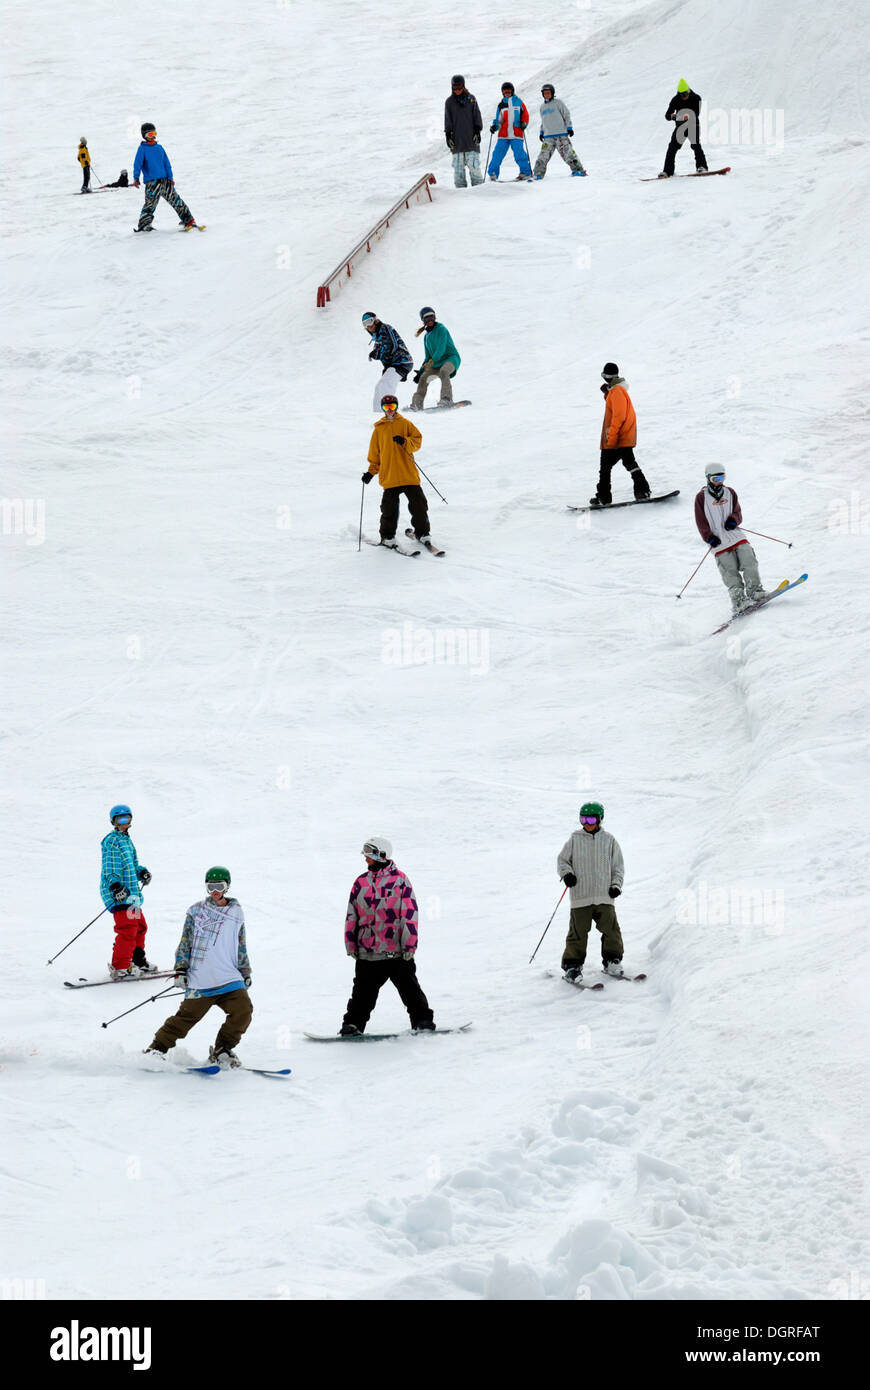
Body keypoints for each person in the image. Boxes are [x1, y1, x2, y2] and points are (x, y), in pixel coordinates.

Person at [144, 867, 252, 1068]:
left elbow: (240, 943)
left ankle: (223, 1050)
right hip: (201, 978)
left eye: (219, 886)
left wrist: (245, 971)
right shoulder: (196, 911)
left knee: (243, 1011)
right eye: (210, 887)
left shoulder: (236, 913)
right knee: (185, 1018)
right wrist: (181, 969)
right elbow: (185, 942)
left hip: (229, 977)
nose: (215, 891)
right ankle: (156, 1049)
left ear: (227, 886)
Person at [340, 838, 435, 1035]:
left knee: (410, 990)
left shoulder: (400, 881)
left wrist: (409, 946)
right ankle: (353, 1025)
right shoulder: (361, 882)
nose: (366, 858)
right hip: (368, 953)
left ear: (382, 855)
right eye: (365, 853)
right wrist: (351, 944)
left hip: (397, 953)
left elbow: (409, 914)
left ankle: (422, 1021)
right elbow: (352, 914)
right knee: (362, 995)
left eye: (370, 854)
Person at [557, 802, 625, 982]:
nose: (587, 823)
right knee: (577, 932)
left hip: (605, 895)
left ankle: (612, 960)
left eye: (591, 819)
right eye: (583, 819)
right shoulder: (574, 839)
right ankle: (572, 966)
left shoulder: (609, 840)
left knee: (611, 930)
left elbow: (618, 867)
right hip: (581, 896)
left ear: (600, 819)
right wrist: (567, 874)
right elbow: (563, 861)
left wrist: (616, 885)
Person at [694, 464, 768, 614]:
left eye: (722, 478)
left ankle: (755, 591)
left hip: (736, 535)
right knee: (730, 571)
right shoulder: (701, 497)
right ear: (708, 478)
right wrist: (709, 537)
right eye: (715, 478)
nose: (719, 481)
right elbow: (700, 520)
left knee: (749, 561)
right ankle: (739, 600)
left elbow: (737, 512)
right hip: (718, 542)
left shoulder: (730, 493)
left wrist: (734, 520)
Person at [362, 395, 432, 547]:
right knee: (389, 510)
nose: (389, 411)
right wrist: (370, 473)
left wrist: (406, 442)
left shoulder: (405, 424)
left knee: (419, 505)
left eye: (392, 407)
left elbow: (417, 440)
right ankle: (387, 537)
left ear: (396, 407)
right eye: (386, 408)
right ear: (382, 409)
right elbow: (375, 455)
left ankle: (423, 533)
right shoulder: (378, 429)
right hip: (390, 477)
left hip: (408, 475)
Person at [99, 804, 155, 979]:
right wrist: (115, 886)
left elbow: (131, 865)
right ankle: (120, 966)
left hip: (131, 896)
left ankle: (137, 960)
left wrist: (142, 872)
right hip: (119, 894)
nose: (124, 822)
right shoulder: (112, 840)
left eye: (127, 819)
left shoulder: (126, 840)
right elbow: (110, 867)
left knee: (139, 927)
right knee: (127, 928)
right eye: (120, 819)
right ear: (113, 821)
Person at [591, 363, 652, 505]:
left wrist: (611, 438)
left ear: (608, 376)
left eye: (604, 376)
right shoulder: (615, 391)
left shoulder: (617, 391)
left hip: (619, 437)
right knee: (615, 466)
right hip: (618, 436)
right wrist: (607, 393)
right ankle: (606, 496)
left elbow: (618, 417)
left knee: (617, 465)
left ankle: (641, 491)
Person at [133, 122, 197, 232]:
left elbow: (166, 163)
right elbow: (137, 164)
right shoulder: (142, 149)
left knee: (176, 201)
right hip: (152, 183)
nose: (152, 136)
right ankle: (144, 224)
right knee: (150, 204)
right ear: (144, 136)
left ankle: (188, 220)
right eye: (149, 134)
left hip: (165, 181)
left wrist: (170, 177)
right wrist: (136, 177)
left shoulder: (159, 148)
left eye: (154, 133)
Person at [408, 306, 461, 410]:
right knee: (423, 378)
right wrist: (421, 371)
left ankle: (446, 399)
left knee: (444, 371)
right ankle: (416, 405)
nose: (430, 320)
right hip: (436, 363)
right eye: (427, 318)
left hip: (451, 358)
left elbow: (440, 350)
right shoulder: (426, 337)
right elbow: (427, 357)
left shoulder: (442, 329)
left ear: (435, 317)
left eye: (432, 317)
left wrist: (430, 362)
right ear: (423, 320)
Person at [362, 311, 414, 412]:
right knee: (382, 386)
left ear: (375, 320)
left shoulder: (384, 328)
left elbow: (391, 346)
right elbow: (381, 351)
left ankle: (383, 413)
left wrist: (377, 353)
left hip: (401, 362)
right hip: (394, 364)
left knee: (383, 386)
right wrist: (375, 353)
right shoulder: (377, 336)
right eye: (365, 324)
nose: (368, 326)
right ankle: (384, 412)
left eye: (369, 322)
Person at [534, 85, 586, 179]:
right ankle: (538, 173)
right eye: (544, 93)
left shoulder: (558, 103)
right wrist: (542, 132)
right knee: (543, 155)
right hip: (548, 136)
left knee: (568, 154)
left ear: (552, 93)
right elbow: (543, 121)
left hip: (561, 135)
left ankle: (578, 170)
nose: (546, 95)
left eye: (548, 93)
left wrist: (569, 127)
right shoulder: (542, 107)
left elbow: (566, 115)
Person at [659, 78, 708, 178]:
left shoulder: (696, 98)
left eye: (685, 94)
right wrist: (673, 116)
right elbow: (667, 115)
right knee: (672, 148)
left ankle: (702, 167)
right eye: (681, 95)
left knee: (696, 145)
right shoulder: (675, 99)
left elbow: (695, 113)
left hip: (693, 125)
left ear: (689, 91)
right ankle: (667, 171)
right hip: (680, 127)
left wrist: (680, 116)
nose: (684, 97)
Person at [487, 82, 532, 181]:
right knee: (497, 154)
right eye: (505, 91)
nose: (507, 93)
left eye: (509, 91)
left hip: (516, 133)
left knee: (519, 154)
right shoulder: (501, 105)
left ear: (512, 91)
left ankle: (525, 172)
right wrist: (495, 126)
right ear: (502, 92)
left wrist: (524, 123)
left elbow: (525, 115)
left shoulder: (518, 102)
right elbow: (499, 120)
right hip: (503, 135)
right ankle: (493, 174)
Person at [444, 75, 484, 188]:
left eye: (459, 87)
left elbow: (477, 115)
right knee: (458, 170)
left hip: (471, 140)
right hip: (457, 142)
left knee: (474, 167)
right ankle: (461, 195)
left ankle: (479, 190)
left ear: (464, 86)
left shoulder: (471, 99)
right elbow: (448, 120)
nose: (457, 90)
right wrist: (448, 135)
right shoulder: (449, 102)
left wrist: (477, 131)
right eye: (455, 87)